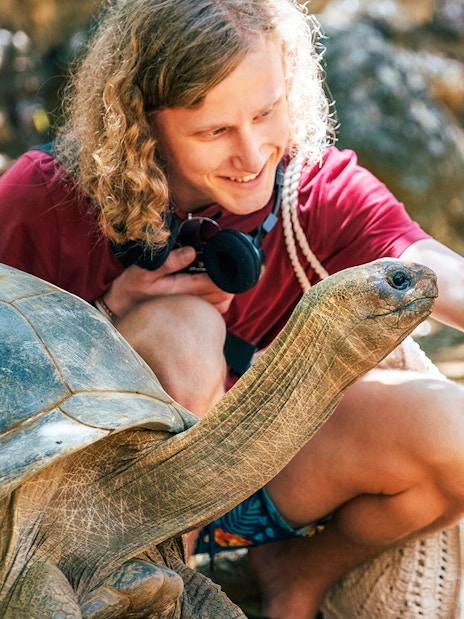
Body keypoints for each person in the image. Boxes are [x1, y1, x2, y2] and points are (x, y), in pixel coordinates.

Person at [1, 0, 464, 617]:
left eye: (267, 112)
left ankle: (296, 577)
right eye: (214, 131)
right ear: (142, 123)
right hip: (95, 514)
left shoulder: (311, 188)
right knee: (186, 328)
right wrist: (105, 319)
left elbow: (436, 273)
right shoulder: (44, 199)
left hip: (264, 474)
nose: (253, 156)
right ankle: (167, 589)